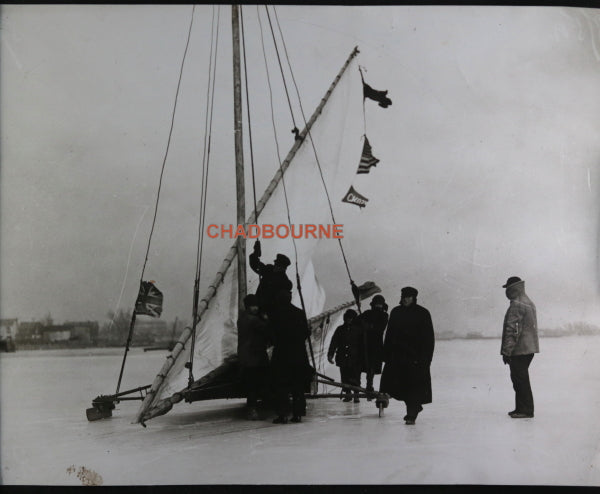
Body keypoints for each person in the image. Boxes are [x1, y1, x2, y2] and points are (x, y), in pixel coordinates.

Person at [379, 286, 434, 425]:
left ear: (414, 298)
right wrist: (386, 355)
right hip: (397, 357)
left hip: (415, 359)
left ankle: (411, 414)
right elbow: (389, 335)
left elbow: (429, 339)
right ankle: (415, 407)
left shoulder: (423, 313)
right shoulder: (396, 312)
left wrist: (426, 359)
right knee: (398, 387)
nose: (405, 299)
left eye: (408, 297)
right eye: (404, 296)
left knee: (413, 389)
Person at [269, 289, 312, 424]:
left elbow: (271, 336)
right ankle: (297, 414)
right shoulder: (299, 313)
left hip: (281, 355)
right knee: (297, 385)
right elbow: (306, 333)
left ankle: (283, 415)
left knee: (281, 386)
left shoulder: (275, 314)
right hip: (298, 355)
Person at [500, 276, 539, 419]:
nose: (506, 291)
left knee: (519, 378)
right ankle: (521, 408)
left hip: (520, 349)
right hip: (528, 348)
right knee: (520, 378)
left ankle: (526, 410)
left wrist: (507, 351)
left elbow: (513, 330)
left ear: (512, 288)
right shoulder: (527, 301)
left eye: (507, 288)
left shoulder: (517, 304)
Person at [237, 294, 271, 420]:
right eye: (253, 306)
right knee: (254, 384)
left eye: (256, 305)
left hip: (246, 357)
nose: (255, 308)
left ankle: (253, 408)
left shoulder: (242, 318)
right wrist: (266, 318)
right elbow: (267, 329)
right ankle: (252, 410)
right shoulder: (253, 320)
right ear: (248, 307)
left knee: (252, 384)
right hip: (254, 357)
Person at [327, 309, 363, 403]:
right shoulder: (340, 329)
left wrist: (363, 358)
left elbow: (363, 345)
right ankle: (348, 394)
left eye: (351, 318)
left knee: (355, 377)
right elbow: (334, 342)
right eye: (347, 318)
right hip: (342, 358)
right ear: (344, 318)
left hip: (355, 359)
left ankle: (356, 395)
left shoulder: (359, 330)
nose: (349, 320)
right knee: (344, 377)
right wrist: (330, 354)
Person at [249, 240, 292, 316]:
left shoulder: (285, 282)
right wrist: (256, 253)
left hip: (270, 313)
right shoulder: (269, 270)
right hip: (258, 308)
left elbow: (283, 301)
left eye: (277, 265)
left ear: (283, 268)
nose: (275, 266)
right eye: (275, 264)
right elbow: (255, 265)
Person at [358, 294, 389, 400]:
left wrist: (369, 326)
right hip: (365, 342)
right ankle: (363, 385)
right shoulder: (367, 313)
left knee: (371, 365)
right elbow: (357, 321)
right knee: (365, 364)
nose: (378, 306)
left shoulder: (384, 315)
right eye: (377, 304)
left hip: (376, 344)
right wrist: (363, 324)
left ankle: (369, 384)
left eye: (380, 304)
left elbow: (380, 328)